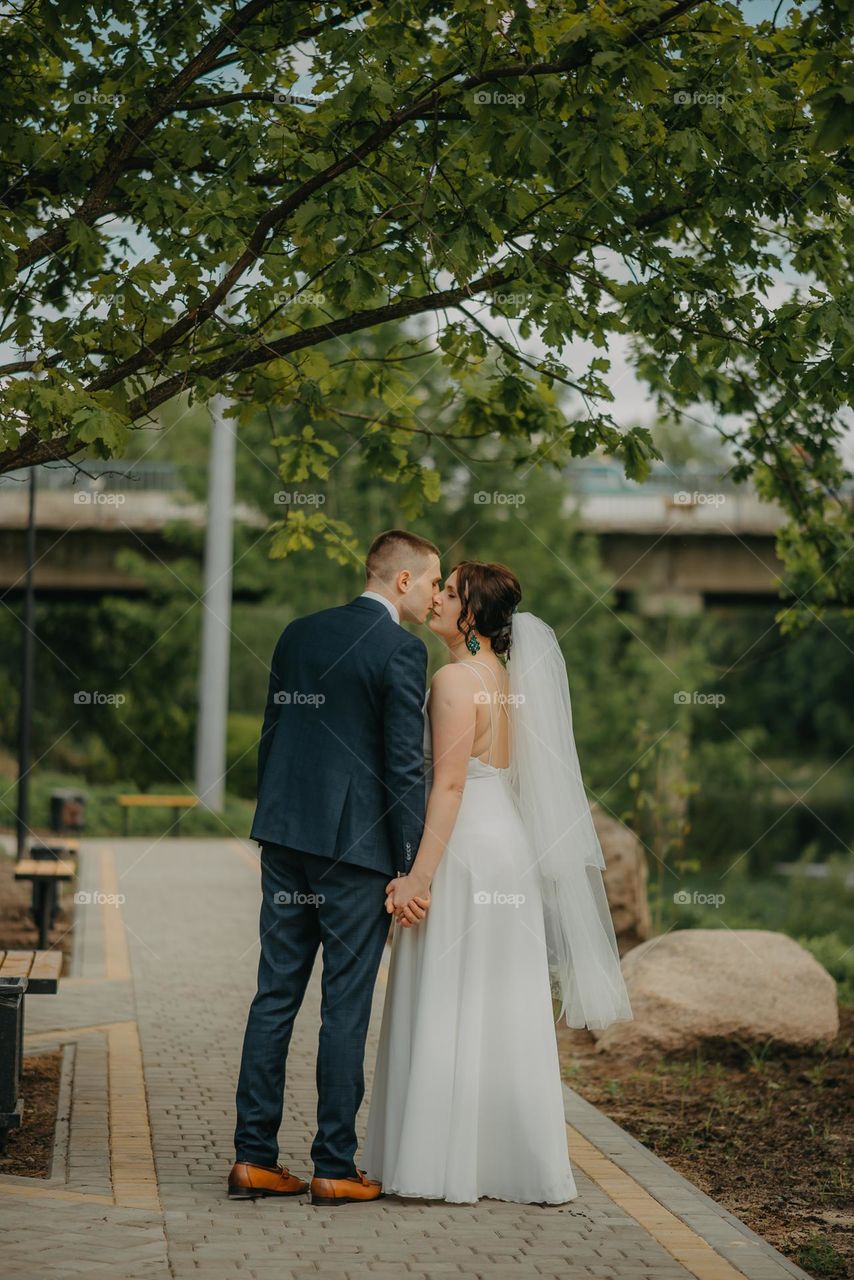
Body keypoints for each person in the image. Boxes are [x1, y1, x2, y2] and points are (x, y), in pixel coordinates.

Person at [363, 560, 633, 1204]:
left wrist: (417, 878)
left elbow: (449, 784)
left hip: (465, 850)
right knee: (499, 999)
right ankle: (511, 1162)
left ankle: (436, 1161)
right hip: (503, 843)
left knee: (450, 993)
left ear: (474, 616)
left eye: (450, 593)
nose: (438, 600)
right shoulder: (505, 678)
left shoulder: (456, 680)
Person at [229, 529, 441, 1206]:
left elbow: (272, 732)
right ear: (402, 580)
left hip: (286, 837)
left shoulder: (299, 632)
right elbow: (406, 769)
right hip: (357, 854)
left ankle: (254, 1159)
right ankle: (333, 1166)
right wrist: (411, 868)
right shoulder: (401, 651)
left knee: (274, 995)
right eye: (433, 581)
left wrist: (275, 817)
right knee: (344, 1006)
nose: (437, 594)